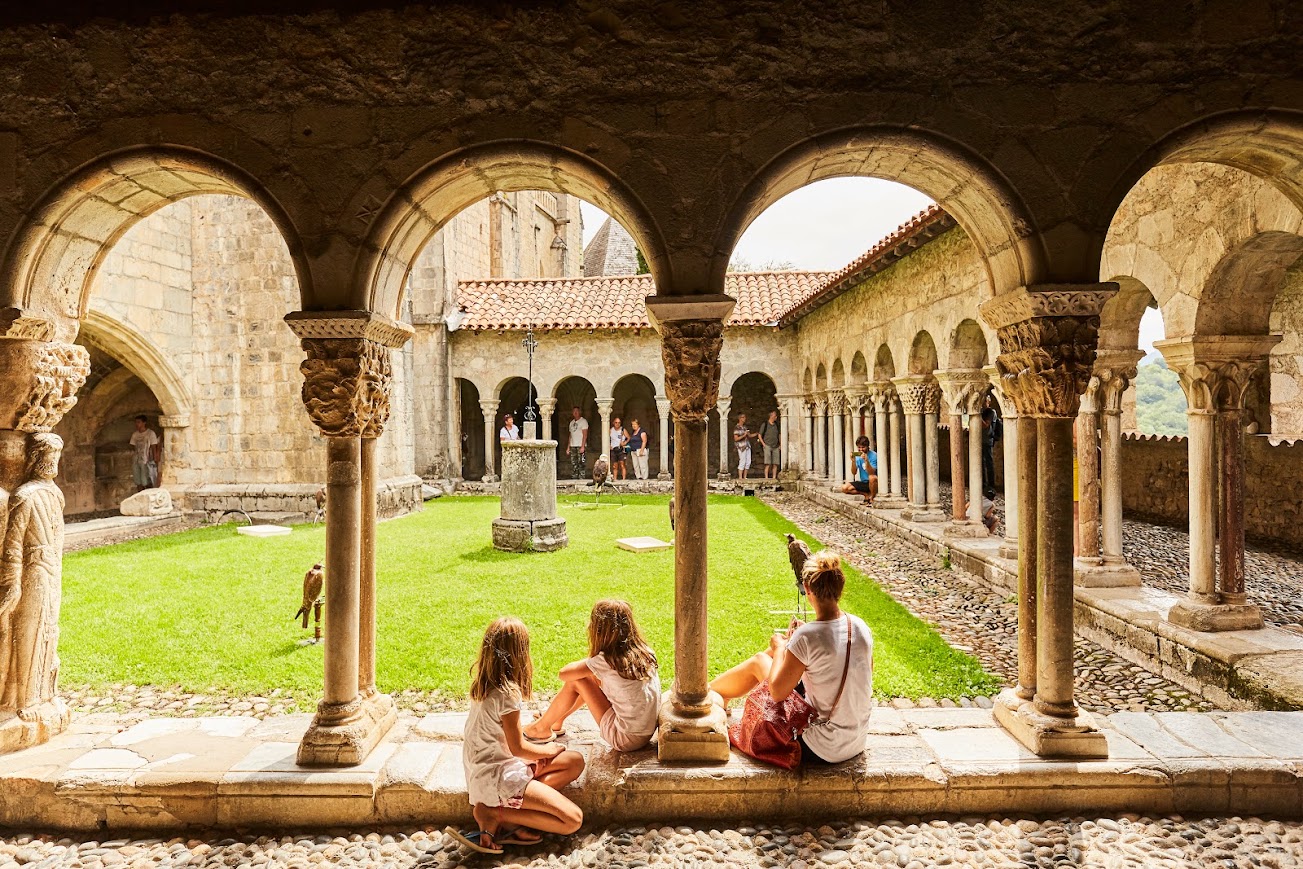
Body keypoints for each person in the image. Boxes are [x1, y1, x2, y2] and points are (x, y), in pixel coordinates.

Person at [710, 550, 874, 765]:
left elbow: (777, 693)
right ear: (840, 588)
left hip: (822, 747)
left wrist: (780, 647)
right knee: (765, 660)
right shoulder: (859, 626)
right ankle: (716, 691)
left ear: (807, 590)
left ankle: (711, 692)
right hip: (855, 741)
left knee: (761, 660)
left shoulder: (807, 636)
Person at [449, 617, 585, 855]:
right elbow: (518, 748)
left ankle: (514, 820)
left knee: (574, 761)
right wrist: (547, 750)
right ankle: (494, 813)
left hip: (493, 767)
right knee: (573, 820)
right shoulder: (507, 694)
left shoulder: (484, 686)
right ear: (520, 653)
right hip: (498, 777)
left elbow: (506, 742)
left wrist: (534, 754)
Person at [522, 600, 660, 752]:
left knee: (578, 681)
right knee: (591, 679)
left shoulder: (606, 661)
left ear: (598, 630)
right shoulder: (645, 652)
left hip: (625, 738)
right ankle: (555, 721)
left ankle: (540, 728)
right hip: (646, 731)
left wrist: (591, 661)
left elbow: (564, 674)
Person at [839, 435, 878, 505]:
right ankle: (866, 494)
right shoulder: (858, 456)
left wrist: (866, 461)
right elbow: (854, 472)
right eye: (859, 447)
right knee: (844, 488)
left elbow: (871, 472)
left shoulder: (874, 455)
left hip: (873, 483)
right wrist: (853, 461)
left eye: (863, 447)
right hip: (863, 482)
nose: (861, 449)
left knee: (872, 478)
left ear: (868, 447)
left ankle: (872, 498)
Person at [129, 415, 160, 491]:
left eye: (139, 422)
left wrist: (155, 458)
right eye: (136, 422)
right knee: (137, 480)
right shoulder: (135, 434)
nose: (137, 424)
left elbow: (153, 446)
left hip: (147, 460)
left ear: (144, 423)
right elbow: (133, 447)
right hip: (137, 459)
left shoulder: (150, 433)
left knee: (146, 479)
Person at [733, 412, 756, 480]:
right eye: (743, 417)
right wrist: (744, 435)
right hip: (741, 447)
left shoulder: (744, 427)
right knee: (742, 461)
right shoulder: (737, 428)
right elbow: (736, 439)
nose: (745, 419)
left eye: (745, 417)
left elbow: (749, 435)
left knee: (748, 461)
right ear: (739, 418)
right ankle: (740, 477)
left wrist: (757, 434)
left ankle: (745, 477)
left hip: (747, 446)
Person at [758, 410, 781, 479]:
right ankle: (766, 478)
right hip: (767, 445)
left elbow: (779, 434)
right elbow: (759, 435)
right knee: (767, 463)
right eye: (774, 415)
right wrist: (763, 444)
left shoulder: (776, 425)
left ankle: (774, 477)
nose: (776, 417)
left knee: (775, 463)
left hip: (776, 446)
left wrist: (781, 444)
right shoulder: (765, 424)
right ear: (771, 416)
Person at [567, 406, 588, 479]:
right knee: (574, 462)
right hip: (573, 445)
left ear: (579, 412)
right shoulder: (571, 423)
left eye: (577, 411)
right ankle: (574, 477)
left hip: (580, 445)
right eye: (574, 411)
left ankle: (581, 477)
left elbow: (585, 435)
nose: (575, 413)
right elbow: (570, 435)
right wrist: (568, 447)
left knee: (581, 462)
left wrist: (583, 446)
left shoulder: (583, 421)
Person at [609, 416, 628, 481]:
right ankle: (615, 478)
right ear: (613, 423)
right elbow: (606, 438)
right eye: (616, 422)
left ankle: (623, 479)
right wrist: (608, 445)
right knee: (615, 465)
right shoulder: (611, 430)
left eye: (619, 423)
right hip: (613, 449)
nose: (617, 424)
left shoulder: (623, 430)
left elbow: (628, 437)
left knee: (622, 464)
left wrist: (624, 442)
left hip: (620, 449)